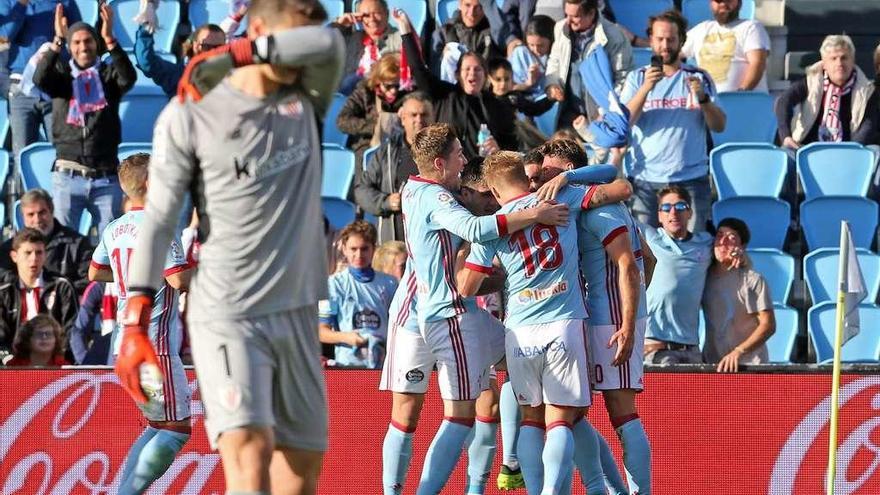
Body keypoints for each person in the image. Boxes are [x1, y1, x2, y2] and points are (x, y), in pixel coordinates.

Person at [117, 1, 345, 492]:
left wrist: (229, 55)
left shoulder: (307, 94)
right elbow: (157, 219)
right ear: (263, 27)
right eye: (294, 30)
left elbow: (328, 43)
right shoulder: (190, 114)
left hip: (298, 311)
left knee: (299, 474)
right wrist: (134, 321)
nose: (302, 42)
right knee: (249, 451)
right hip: (226, 309)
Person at [392, 123, 568, 494]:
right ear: (439, 163)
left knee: (515, 354)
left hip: (457, 313)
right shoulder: (436, 198)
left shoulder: (413, 188)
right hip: (449, 315)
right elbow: (473, 229)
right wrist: (534, 216)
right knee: (459, 418)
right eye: (458, 154)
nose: (463, 159)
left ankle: (509, 462)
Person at [457, 151, 605, 494]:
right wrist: (568, 177)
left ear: (494, 192)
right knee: (560, 420)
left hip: (520, 330)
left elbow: (467, 287)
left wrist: (504, 274)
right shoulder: (558, 196)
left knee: (531, 419)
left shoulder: (493, 226)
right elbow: (616, 181)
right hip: (564, 323)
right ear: (526, 177)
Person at [540, 138, 652, 495]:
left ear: (569, 170)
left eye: (550, 169)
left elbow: (629, 267)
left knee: (622, 413)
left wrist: (629, 324)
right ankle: (606, 488)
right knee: (572, 414)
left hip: (612, 320)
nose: (545, 175)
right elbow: (649, 259)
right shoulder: (604, 204)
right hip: (602, 316)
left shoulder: (598, 210)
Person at [88, 153, 193, 494]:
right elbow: (179, 281)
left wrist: (128, 275)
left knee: (157, 424)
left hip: (124, 344)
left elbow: (95, 272)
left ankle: (123, 491)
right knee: (176, 429)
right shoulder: (160, 226)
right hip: (154, 347)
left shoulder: (114, 228)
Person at [33, 4, 136, 235]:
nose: (83, 47)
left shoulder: (108, 77)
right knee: (63, 244)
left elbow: (128, 78)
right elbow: (40, 78)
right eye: (77, 42)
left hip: (106, 176)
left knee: (110, 241)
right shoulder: (62, 78)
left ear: (96, 44)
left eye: (88, 41)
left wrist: (110, 40)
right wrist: (58, 40)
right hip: (68, 175)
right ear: (70, 47)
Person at [621, 9, 726, 232]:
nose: (665, 45)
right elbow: (624, 123)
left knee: (695, 247)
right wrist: (645, 89)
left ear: (682, 41)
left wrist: (704, 99)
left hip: (692, 179)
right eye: (659, 39)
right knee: (645, 249)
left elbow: (719, 125)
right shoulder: (637, 78)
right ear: (650, 39)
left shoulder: (699, 77)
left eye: (671, 39)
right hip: (645, 180)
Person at [398, 9, 520, 158]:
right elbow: (418, 69)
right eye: (466, 69)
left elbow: (512, 144)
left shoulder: (496, 105)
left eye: (477, 69)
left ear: (486, 75)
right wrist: (405, 31)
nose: (472, 73)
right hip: (446, 172)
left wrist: (499, 149)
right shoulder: (443, 94)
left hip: (482, 174)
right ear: (457, 74)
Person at [0, 0, 82, 176]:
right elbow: (4, 36)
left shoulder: (65, 2)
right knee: (22, 154)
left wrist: (64, 35)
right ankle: (23, 200)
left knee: (61, 152)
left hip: (55, 86)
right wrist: (21, 5)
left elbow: (79, 37)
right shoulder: (8, 2)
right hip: (20, 87)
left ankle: (59, 198)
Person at [641, 186, 713, 364]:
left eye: (680, 207)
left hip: (692, 349)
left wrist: (742, 259)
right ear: (659, 215)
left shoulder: (706, 243)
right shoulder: (649, 237)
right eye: (666, 208)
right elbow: (617, 209)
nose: (673, 212)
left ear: (690, 212)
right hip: (656, 347)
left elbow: (732, 248)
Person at [775, 34, 879, 151]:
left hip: (851, 151)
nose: (839, 63)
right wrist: (786, 136)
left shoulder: (867, 91)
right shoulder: (810, 83)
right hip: (807, 149)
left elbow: (867, 127)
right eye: (833, 58)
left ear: (853, 60)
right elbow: (783, 102)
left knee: (876, 152)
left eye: (844, 58)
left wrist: (849, 152)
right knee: (783, 153)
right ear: (824, 63)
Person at [354, 91, 433, 244]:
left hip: (433, 241)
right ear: (402, 118)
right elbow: (362, 189)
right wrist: (387, 202)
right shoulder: (387, 151)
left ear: (433, 116)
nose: (419, 120)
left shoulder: (445, 151)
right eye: (413, 115)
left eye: (424, 114)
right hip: (395, 243)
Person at [544, 0, 633, 135]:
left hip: (600, 119)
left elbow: (623, 78)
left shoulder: (615, 36)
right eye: (566, 14)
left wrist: (605, 112)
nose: (568, 20)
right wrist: (552, 84)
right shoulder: (560, 28)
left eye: (575, 16)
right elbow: (554, 61)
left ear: (591, 13)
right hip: (568, 116)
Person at [318, 220, 397, 369]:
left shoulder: (390, 283)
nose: (358, 254)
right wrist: (347, 337)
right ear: (344, 249)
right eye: (353, 249)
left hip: (384, 366)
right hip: (349, 366)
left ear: (374, 248)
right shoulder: (333, 285)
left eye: (364, 249)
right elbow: (322, 332)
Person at [702, 217, 776, 373]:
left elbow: (768, 325)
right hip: (713, 366)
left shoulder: (753, 280)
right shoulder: (703, 278)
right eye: (720, 235)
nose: (723, 242)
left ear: (741, 246)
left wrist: (739, 351)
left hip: (749, 366)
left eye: (731, 238)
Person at [0, 227, 78, 358]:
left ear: (45, 255)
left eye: (39, 252)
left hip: (54, 365)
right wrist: (9, 360)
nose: (34, 258)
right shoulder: (4, 292)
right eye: (28, 253)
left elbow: (72, 332)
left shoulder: (62, 287)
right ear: (14, 256)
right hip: (13, 366)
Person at [0, 188, 93, 294]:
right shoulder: (9, 249)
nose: (37, 219)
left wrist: (59, 294)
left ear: (52, 211)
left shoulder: (78, 244)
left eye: (42, 212)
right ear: (23, 217)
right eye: (31, 214)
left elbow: (89, 281)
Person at [680, 0, 770, 93]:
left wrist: (741, 94)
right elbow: (673, 53)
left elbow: (757, 64)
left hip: (743, 102)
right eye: (718, 1)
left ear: (739, 3)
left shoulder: (751, 28)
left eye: (729, 0)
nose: (723, 4)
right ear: (711, 4)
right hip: (707, 103)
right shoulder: (700, 30)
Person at [336, 52, 406, 163]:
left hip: (398, 145)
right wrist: (375, 127)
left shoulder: (405, 94)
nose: (393, 91)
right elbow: (342, 121)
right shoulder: (364, 92)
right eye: (388, 86)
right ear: (378, 81)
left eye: (397, 86)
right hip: (367, 145)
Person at [134, 22, 226, 98]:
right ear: (196, 46)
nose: (214, 52)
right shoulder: (177, 74)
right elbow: (146, 62)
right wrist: (146, 28)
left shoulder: (231, 75)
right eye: (207, 47)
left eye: (219, 47)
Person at [331, 0, 402, 94]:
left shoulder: (400, 38)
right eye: (366, 15)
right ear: (359, 18)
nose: (372, 19)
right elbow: (322, 48)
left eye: (377, 13)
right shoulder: (351, 38)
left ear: (387, 14)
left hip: (382, 95)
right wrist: (339, 25)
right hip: (347, 97)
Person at [431, 0, 504, 78]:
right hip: (450, 88)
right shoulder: (443, 33)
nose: (471, 13)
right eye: (467, 5)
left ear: (484, 8)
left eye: (477, 7)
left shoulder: (494, 33)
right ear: (460, 4)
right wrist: (444, 57)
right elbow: (435, 71)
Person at [68, 279, 116, 365]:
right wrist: (86, 363)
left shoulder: (141, 288)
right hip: (103, 359)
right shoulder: (97, 288)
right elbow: (78, 330)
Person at [509, 14, 555, 99]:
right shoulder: (521, 54)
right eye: (531, 45)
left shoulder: (558, 53)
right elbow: (508, 87)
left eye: (541, 45)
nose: (536, 50)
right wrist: (529, 83)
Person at [5, 314, 69, 366]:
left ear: (56, 340)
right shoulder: (13, 366)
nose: (44, 337)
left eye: (48, 334)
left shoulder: (64, 367)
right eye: (39, 334)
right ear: (28, 339)